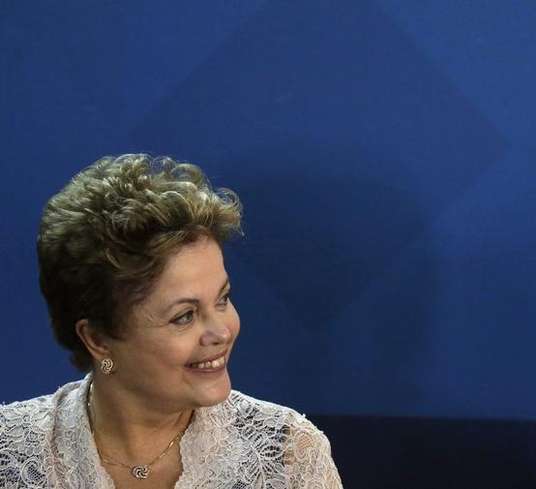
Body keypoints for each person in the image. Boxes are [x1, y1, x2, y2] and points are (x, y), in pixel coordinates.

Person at [0, 154, 343, 488]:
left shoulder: (288, 458)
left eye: (222, 299)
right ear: (98, 339)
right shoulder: (10, 455)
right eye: (185, 316)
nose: (221, 331)